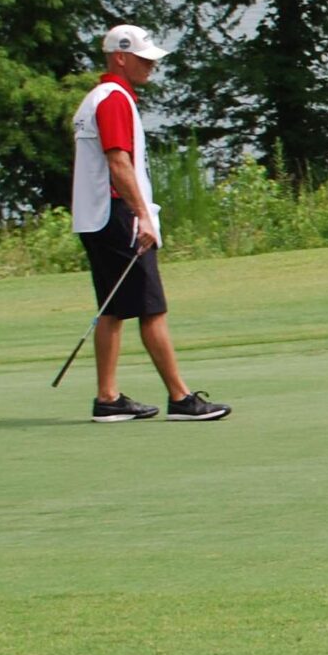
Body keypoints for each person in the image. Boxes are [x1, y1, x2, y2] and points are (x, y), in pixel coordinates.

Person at [70, 24, 231, 423]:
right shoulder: (113, 100)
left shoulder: (101, 97)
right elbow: (118, 161)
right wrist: (142, 214)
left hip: (98, 217)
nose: (151, 67)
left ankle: (108, 398)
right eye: (144, 60)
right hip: (116, 215)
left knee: (113, 307)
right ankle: (180, 398)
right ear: (120, 57)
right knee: (151, 308)